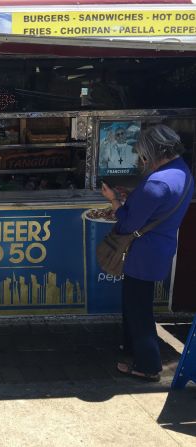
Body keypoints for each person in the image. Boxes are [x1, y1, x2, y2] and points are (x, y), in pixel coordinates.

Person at [101, 124, 194, 382]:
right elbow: (154, 206)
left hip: (143, 253)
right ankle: (131, 349)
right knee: (136, 304)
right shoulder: (182, 172)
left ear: (153, 151)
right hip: (161, 248)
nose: (143, 160)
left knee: (138, 308)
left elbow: (129, 223)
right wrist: (134, 198)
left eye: (143, 155)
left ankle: (148, 365)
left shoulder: (157, 182)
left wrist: (115, 201)